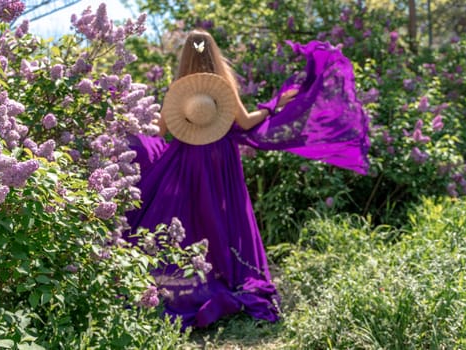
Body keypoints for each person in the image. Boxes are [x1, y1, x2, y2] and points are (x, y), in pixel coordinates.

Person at [125, 29, 369, 329]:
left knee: (191, 218)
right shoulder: (222, 87)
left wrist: (130, 129)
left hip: (188, 159)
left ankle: (188, 281)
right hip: (221, 158)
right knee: (223, 216)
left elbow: (159, 132)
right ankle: (227, 274)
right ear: (213, 51)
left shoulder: (178, 89)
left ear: (185, 55)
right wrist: (272, 107)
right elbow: (245, 122)